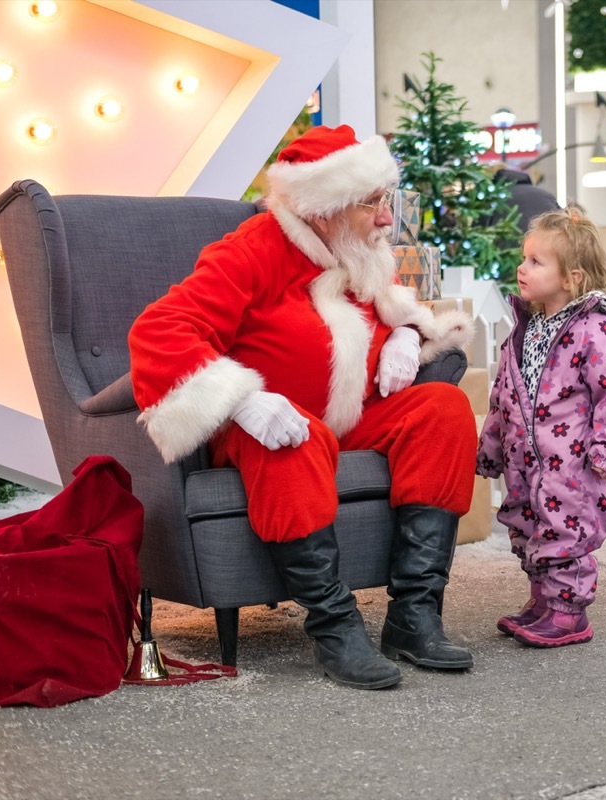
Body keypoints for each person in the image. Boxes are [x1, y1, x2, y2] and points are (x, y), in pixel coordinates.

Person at [128, 125, 479, 690]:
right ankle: (335, 626)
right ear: (325, 209)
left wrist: (407, 335)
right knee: (294, 437)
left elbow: (391, 303)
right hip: (270, 424)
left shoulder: (355, 248)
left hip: (354, 418)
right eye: (373, 204)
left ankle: (415, 614)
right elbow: (160, 330)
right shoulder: (250, 250)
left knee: (442, 408)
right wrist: (242, 401)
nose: (386, 219)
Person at [476, 206, 606, 647]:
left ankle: (569, 613)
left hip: (573, 463)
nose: (521, 268)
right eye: (524, 258)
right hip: (525, 459)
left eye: (535, 261)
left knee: (566, 528)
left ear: (572, 278)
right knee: (529, 523)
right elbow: (504, 392)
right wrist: (492, 445)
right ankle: (543, 600)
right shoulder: (525, 329)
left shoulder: (594, 330)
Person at [492, 165, 561, 234]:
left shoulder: (493, 200)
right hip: (548, 240)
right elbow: (563, 221)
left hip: (509, 241)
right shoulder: (546, 195)